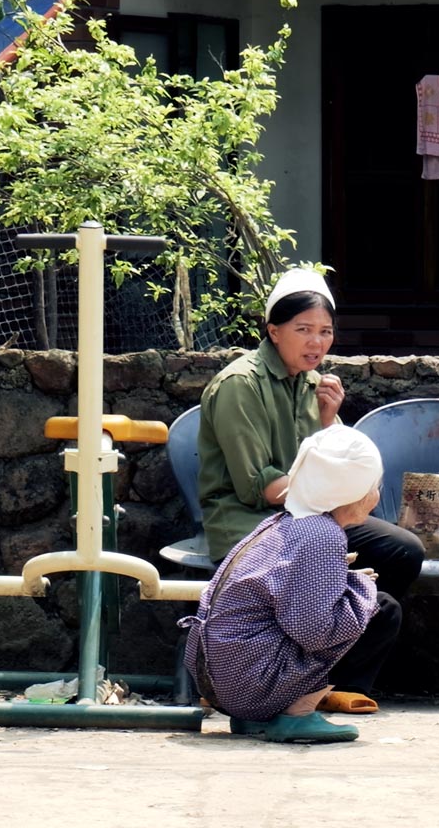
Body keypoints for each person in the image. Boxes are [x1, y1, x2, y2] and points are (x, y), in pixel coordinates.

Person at [196, 267, 424, 713]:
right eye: (303, 330)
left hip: (308, 516)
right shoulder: (240, 385)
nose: (316, 343)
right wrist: (342, 498)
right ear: (273, 331)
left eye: (324, 332)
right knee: (381, 606)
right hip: (255, 523)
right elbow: (257, 487)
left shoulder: (312, 383)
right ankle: (304, 675)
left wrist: (327, 419)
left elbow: (327, 463)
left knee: (404, 551)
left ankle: (330, 673)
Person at [181, 425, 400, 743]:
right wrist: (359, 589)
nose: (377, 494)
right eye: (374, 485)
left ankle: (260, 717)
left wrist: (347, 581)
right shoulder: (322, 535)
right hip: (251, 686)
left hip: (220, 682)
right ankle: (295, 712)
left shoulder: (283, 521)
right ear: (352, 493)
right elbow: (316, 631)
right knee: (381, 609)